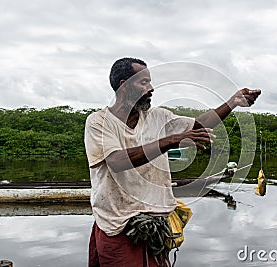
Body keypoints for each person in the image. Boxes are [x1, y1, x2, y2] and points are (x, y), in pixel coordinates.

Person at [84, 57, 261, 267]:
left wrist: (232, 103)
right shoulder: (98, 122)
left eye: (150, 82)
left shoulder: (157, 117)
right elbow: (117, 161)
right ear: (124, 85)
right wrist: (170, 140)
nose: (151, 88)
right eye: (143, 83)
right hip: (117, 225)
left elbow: (198, 125)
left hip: (156, 223)